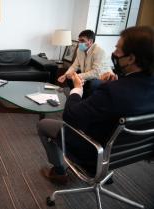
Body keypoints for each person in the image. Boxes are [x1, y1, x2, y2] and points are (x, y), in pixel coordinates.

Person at [38, 26, 154, 184]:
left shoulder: (113, 92)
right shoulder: (119, 89)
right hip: (127, 152)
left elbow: (71, 117)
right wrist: (115, 84)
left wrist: (77, 89)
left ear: (131, 58)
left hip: (95, 150)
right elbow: (131, 101)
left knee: (43, 124)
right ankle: (105, 170)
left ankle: (59, 172)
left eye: (118, 49)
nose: (114, 53)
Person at [58, 30, 111, 97]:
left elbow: (95, 72)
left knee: (93, 84)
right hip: (87, 74)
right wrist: (65, 75)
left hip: (100, 78)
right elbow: (75, 65)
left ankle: (86, 102)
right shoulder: (80, 50)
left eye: (82, 41)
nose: (79, 43)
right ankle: (75, 96)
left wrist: (77, 76)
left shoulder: (99, 51)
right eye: (79, 40)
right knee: (69, 78)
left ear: (90, 41)